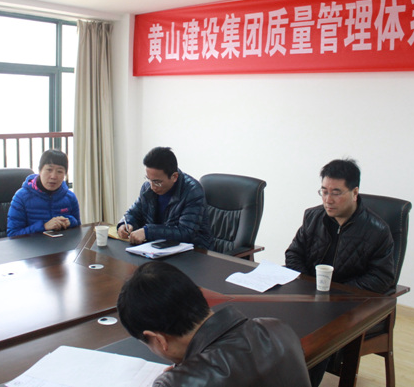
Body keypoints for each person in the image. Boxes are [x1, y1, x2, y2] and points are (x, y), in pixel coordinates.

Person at [285, 158, 394, 387]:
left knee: (317, 333)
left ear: (354, 192)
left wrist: (334, 294)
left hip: (348, 305)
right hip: (310, 298)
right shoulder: (313, 217)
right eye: (324, 191)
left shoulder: (377, 231)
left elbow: (382, 277)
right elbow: (293, 254)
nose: (328, 199)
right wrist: (309, 288)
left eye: (336, 193)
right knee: (271, 323)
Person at [116, 261, 312, 387]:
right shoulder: (278, 328)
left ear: (158, 339)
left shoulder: (175, 383)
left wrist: (178, 378)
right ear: (199, 296)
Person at [117, 146, 213, 249]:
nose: (152, 186)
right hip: (158, 247)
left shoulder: (192, 191)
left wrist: (148, 232)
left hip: (193, 251)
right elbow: (133, 213)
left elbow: (186, 232)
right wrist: (126, 224)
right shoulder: (147, 187)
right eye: (149, 179)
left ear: (174, 177)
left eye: (157, 182)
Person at [7, 149, 80, 237]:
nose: (53, 176)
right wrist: (44, 226)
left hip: (63, 244)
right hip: (33, 245)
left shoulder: (70, 197)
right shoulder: (21, 197)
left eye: (59, 171)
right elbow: (13, 234)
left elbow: (78, 228)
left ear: (65, 174)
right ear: (40, 171)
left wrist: (71, 221)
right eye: (49, 169)